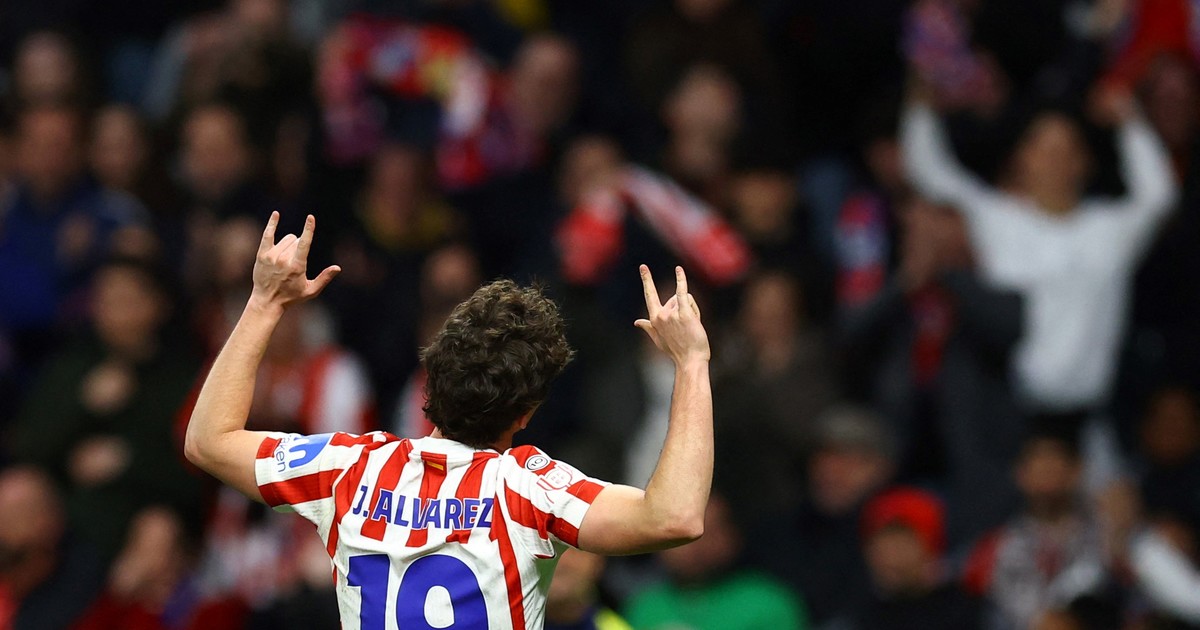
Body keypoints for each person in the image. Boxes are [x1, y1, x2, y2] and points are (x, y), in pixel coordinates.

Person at [184, 212, 714, 627]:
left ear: (429, 385)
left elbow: (208, 441)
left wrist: (264, 302)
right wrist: (691, 364)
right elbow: (675, 517)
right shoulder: (528, 491)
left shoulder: (350, 470)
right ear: (525, 415)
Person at [853, 487, 982, 630]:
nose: (889, 558)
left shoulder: (963, 609)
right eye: (880, 546)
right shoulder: (860, 615)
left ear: (929, 548)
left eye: (901, 546)